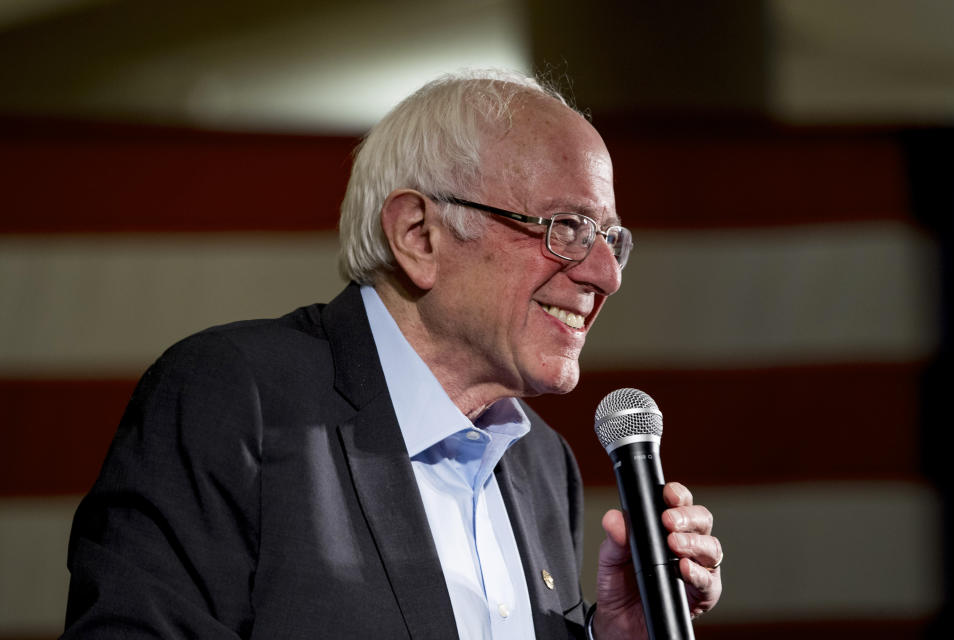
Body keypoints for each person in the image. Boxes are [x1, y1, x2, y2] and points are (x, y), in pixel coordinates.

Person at [63, 69, 722, 639]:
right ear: (418, 234)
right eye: (568, 228)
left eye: (612, 238)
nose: (606, 274)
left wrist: (611, 635)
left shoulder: (541, 462)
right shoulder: (235, 398)